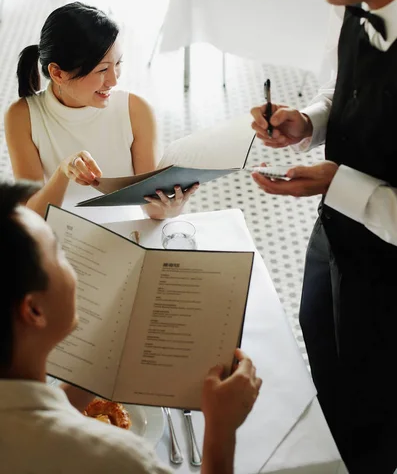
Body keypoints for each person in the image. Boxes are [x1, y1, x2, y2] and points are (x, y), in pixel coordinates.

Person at [250, 0, 397, 472]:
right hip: (334, 235)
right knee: (324, 357)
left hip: (391, 280)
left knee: (375, 415)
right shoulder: (364, 2)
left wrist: (340, 183)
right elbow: (348, 83)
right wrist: (306, 121)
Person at [0, 178, 262, 474]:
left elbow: (33, 423)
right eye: (60, 253)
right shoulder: (112, 457)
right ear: (34, 310)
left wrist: (103, 366)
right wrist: (220, 429)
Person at [4, 2, 198, 220]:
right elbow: (33, 218)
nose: (114, 80)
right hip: (61, 241)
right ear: (58, 73)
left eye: (117, 64)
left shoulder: (136, 111)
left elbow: (152, 208)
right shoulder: (23, 117)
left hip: (126, 236)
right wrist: (63, 172)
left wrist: (171, 207)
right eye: (103, 69)